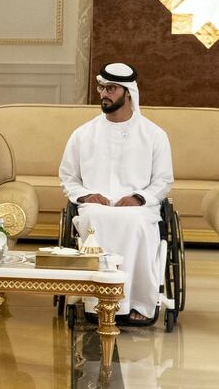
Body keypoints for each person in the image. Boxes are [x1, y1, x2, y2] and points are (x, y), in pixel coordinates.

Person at [59, 63, 174, 325]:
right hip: (95, 207)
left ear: (128, 93)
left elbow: (164, 180)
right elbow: (68, 177)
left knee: (135, 224)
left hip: (140, 208)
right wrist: (86, 196)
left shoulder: (154, 134)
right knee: (96, 222)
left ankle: (138, 303)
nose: (104, 94)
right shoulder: (83, 133)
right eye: (102, 88)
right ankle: (96, 300)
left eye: (111, 89)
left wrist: (138, 198)